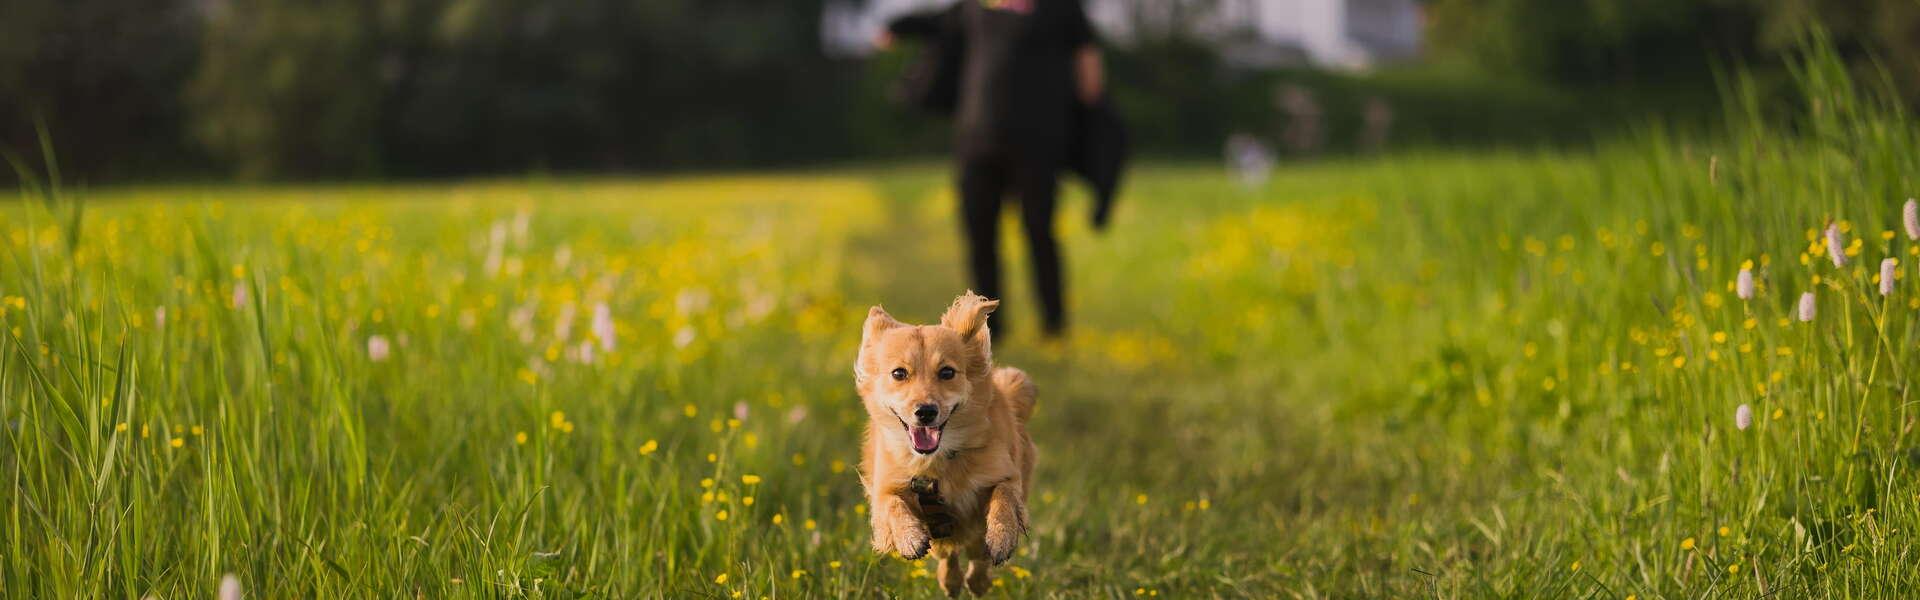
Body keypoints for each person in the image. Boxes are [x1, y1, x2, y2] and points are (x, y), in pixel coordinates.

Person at [879, 0, 1106, 339]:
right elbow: (936, 23)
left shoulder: (1061, 8)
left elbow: (1089, 69)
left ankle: (1053, 324)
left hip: (1039, 142)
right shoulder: (975, 6)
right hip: (976, 141)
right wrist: (896, 27)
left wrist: (1087, 121)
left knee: (1039, 231)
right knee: (980, 235)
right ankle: (988, 329)